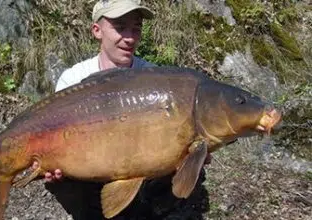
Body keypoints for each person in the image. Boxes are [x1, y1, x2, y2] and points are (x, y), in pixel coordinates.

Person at [35, 0, 211, 219]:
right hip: (89, 169)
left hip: (140, 169)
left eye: (136, 28)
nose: (130, 38)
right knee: (61, 180)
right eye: (120, 27)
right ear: (97, 31)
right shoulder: (73, 80)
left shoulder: (153, 77)